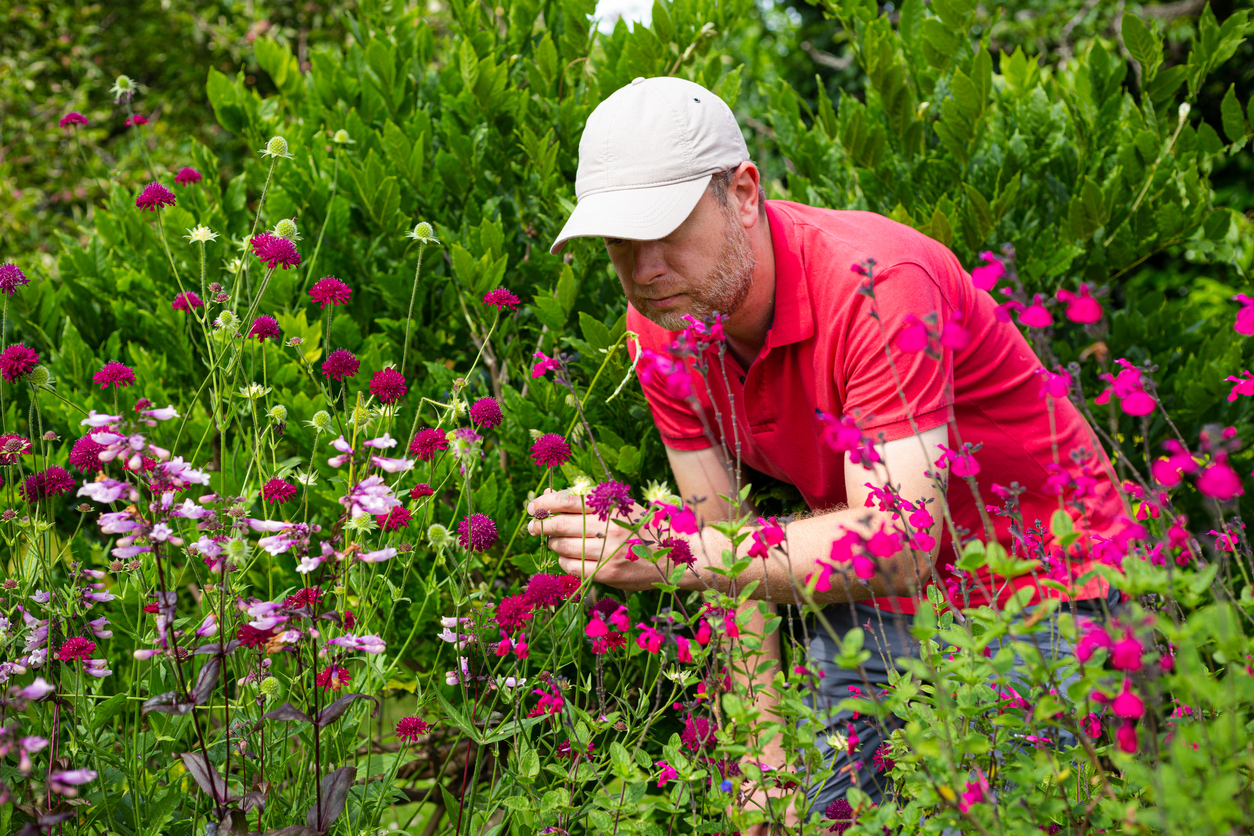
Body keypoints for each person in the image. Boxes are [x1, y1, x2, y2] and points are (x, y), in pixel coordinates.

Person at [525, 76, 1124, 830]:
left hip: (1054, 588)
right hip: (877, 607)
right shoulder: (662, 327)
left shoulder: (877, 285)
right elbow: (730, 552)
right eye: (619, 241)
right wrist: (760, 759)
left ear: (743, 194)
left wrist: (671, 552)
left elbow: (899, 541)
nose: (644, 269)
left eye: (666, 230)